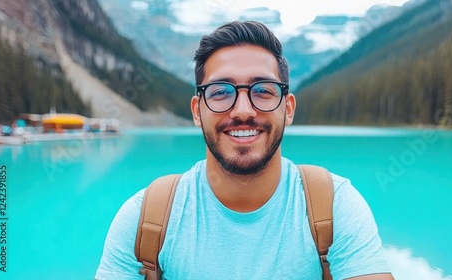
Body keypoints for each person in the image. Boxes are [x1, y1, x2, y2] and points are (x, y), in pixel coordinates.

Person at [95, 21, 394, 280]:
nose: (242, 110)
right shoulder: (144, 219)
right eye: (220, 92)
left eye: (263, 90)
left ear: (287, 108)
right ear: (197, 111)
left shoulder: (336, 206)